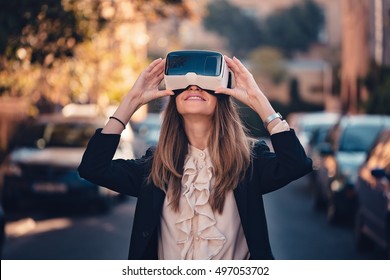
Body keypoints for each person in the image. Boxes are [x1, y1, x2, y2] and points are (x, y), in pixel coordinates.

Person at [78, 54, 313, 260]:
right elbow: (93, 168)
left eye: (204, 84)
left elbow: (296, 165)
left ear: (221, 98)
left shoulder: (248, 162)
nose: (193, 86)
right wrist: (131, 101)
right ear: (173, 100)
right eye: (185, 84)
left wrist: (258, 100)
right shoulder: (156, 166)